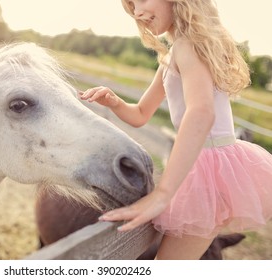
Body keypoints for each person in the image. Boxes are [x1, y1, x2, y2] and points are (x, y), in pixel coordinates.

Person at [79, 0, 272, 260]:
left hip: (209, 170)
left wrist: (163, 194)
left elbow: (201, 112)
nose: (137, 11)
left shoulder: (188, 46)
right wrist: (114, 102)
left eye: (143, 0)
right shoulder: (173, 54)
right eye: (131, 5)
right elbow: (140, 114)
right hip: (206, 164)